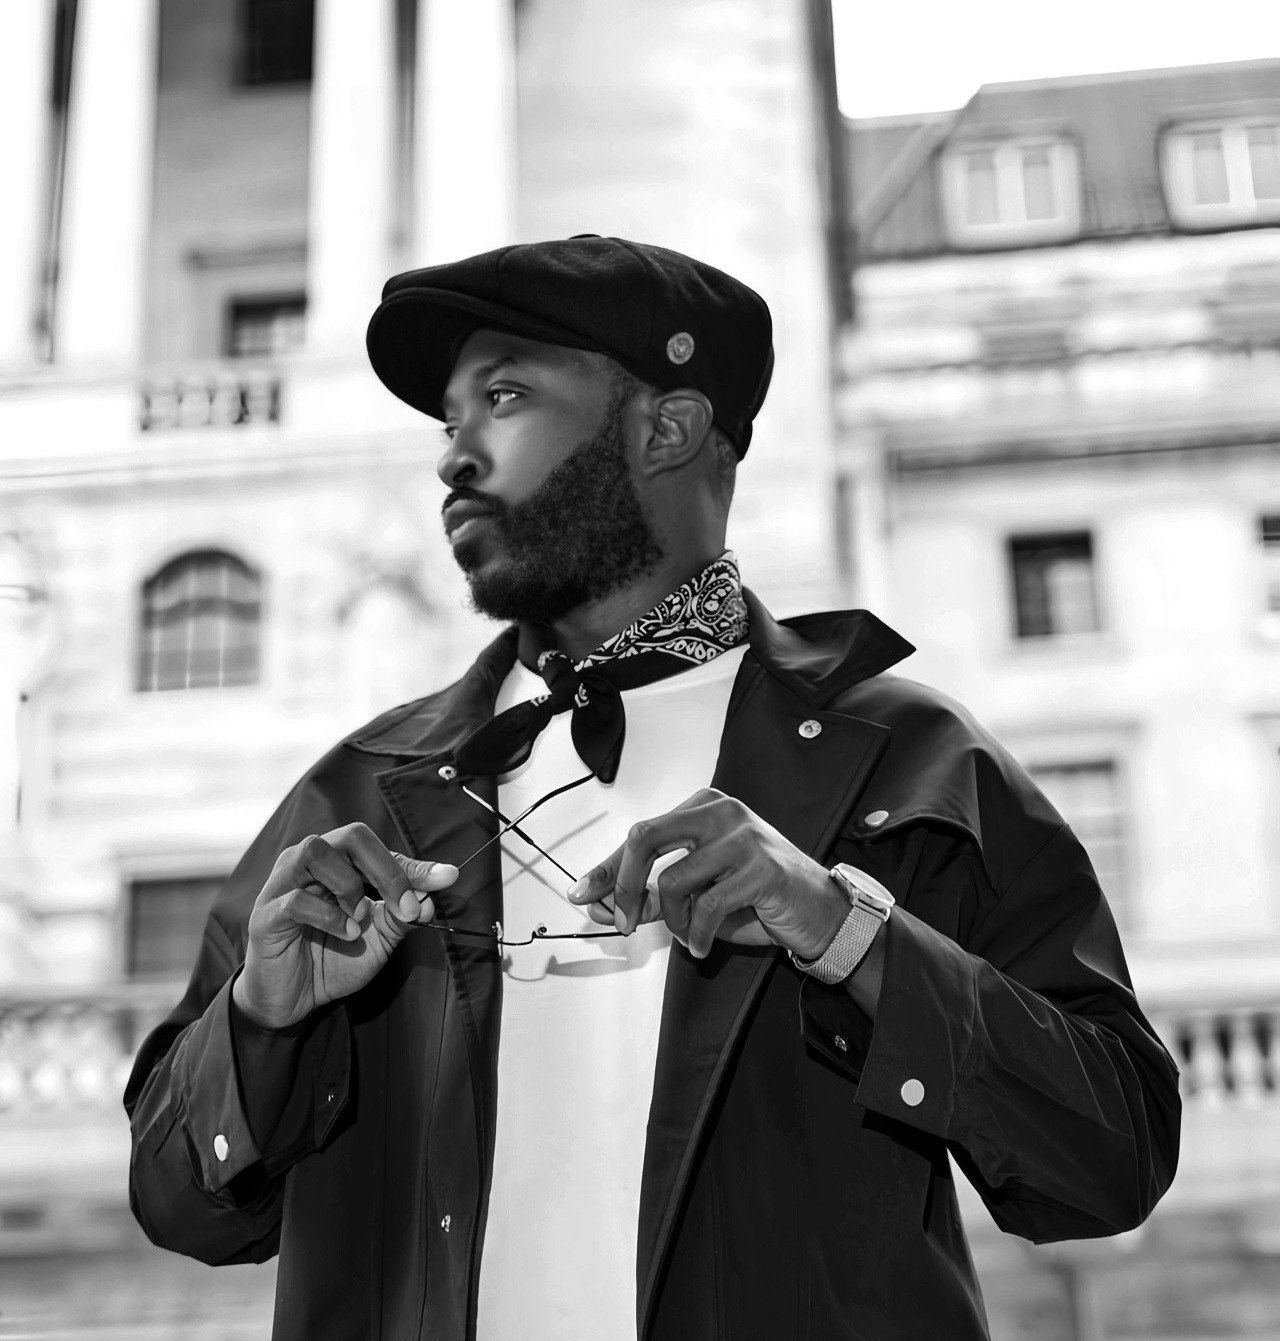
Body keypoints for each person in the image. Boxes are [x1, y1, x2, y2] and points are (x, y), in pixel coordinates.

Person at [125, 235, 1180, 1340]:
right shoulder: (359, 789)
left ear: (665, 428)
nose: (455, 458)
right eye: (448, 421)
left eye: (503, 398)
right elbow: (177, 1203)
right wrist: (259, 1023)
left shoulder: (910, 757)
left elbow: (1112, 1158)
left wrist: (847, 932)